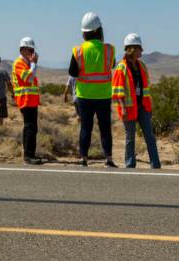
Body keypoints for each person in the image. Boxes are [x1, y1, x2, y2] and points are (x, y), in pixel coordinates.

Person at [69, 12, 117, 167]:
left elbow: (73, 72)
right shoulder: (109, 49)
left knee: (85, 128)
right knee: (105, 128)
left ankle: (83, 158)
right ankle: (108, 158)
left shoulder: (78, 51)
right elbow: (112, 65)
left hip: (85, 96)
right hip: (103, 95)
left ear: (84, 33)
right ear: (99, 30)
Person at [112, 34, 161, 169]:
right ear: (132, 49)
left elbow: (146, 88)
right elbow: (118, 91)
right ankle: (130, 165)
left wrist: (149, 107)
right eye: (140, 48)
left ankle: (155, 165)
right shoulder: (121, 67)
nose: (142, 51)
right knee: (130, 138)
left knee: (149, 136)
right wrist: (123, 108)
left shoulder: (142, 65)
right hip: (128, 108)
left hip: (143, 107)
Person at [12, 37, 42, 165]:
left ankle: (30, 154)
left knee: (32, 127)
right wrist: (34, 63)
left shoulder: (27, 63)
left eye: (32, 50)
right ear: (22, 49)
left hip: (31, 101)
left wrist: (33, 63)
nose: (31, 52)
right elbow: (29, 78)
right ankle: (28, 156)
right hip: (25, 100)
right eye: (29, 49)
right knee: (30, 127)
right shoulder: (19, 63)